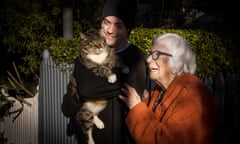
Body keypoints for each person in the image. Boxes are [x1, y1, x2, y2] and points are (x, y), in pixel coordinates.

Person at [61, 0, 147, 144]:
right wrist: (79, 95)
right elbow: (67, 108)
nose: (110, 30)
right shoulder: (84, 58)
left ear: (128, 28)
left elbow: (87, 89)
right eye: (106, 22)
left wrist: (85, 89)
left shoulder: (137, 59)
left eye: (118, 25)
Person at [119, 33, 224, 144]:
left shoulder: (191, 98)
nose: (148, 59)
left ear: (176, 66)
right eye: (150, 54)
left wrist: (136, 108)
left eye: (157, 54)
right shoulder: (160, 91)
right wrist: (145, 103)